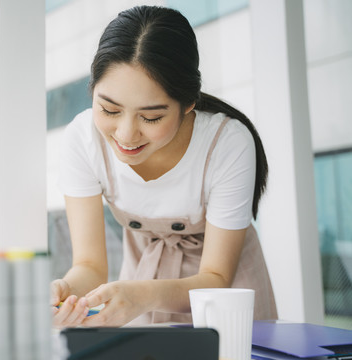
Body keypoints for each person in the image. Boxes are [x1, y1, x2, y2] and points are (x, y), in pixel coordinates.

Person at [51, 5, 278, 327]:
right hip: (139, 286)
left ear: (188, 103)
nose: (126, 134)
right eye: (109, 109)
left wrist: (142, 296)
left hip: (224, 299)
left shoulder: (227, 143)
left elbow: (216, 277)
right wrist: (67, 289)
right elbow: (89, 265)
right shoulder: (82, 139)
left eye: (152, 117)